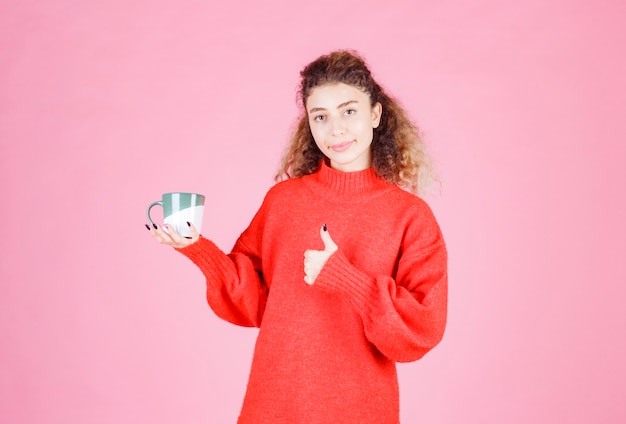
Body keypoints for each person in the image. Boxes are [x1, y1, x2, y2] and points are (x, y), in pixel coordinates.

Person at [146, 50, 447, 424]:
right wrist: (198, 249)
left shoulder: (410, 216)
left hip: (359, 410)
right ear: (309, 123)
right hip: (273, 404)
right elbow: (252, 302)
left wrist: (346, 278)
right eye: (320, 116)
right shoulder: (282, 202)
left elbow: (421, 328)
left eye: (348, 111)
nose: (335, 129)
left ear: (375, 114)